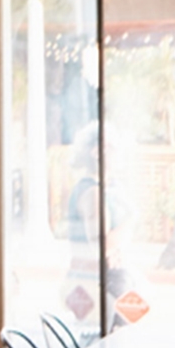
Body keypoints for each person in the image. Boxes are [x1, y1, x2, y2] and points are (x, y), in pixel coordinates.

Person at [63, 121, 146, 330]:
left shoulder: (105, 189)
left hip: (101, 280)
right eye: (113, 146)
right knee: (123, 335)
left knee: (134, 326)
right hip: (101, 284)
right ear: (96, 152)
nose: (118, 152)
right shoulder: (92, 193)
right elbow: (102, 245)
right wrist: (131, 219)